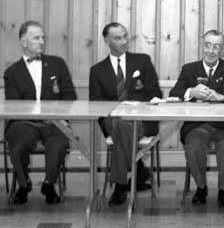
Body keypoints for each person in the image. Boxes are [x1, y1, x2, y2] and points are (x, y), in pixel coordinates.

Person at [169, 30, 224, 207]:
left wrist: (222, 97)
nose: (211, 51)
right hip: (197, 126)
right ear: (202, 46)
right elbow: (174, 93)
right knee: (194, 145)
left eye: (216, 47)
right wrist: (191, 92)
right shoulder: (189, 69)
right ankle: (201, 187)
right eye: (207, 45)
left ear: (223, 50)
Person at [89, 22, 162, 206]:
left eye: (125, 36)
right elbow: (96, 105)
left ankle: (121, 185)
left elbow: (155, 93)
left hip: (142, 120)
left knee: (123, 128)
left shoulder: (142, 61)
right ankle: (137, 170)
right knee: (121, 125)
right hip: (113, 121)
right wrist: (115, 114)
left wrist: (139, 107)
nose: (123, 41)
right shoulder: (97, 71)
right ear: (107, 41)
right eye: (117, 38)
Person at [3, 20, 76, 205]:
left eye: (43, 37)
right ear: (23, 42)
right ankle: (23, 184)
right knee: (18, 144)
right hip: (23, 122)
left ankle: (49, 184)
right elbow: (14, 105)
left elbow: (69, 96)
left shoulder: (57, 64)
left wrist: (61, 118)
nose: (42, 42)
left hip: (53, 121)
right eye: (36, 38)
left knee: (59, 142)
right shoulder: (12, 72)